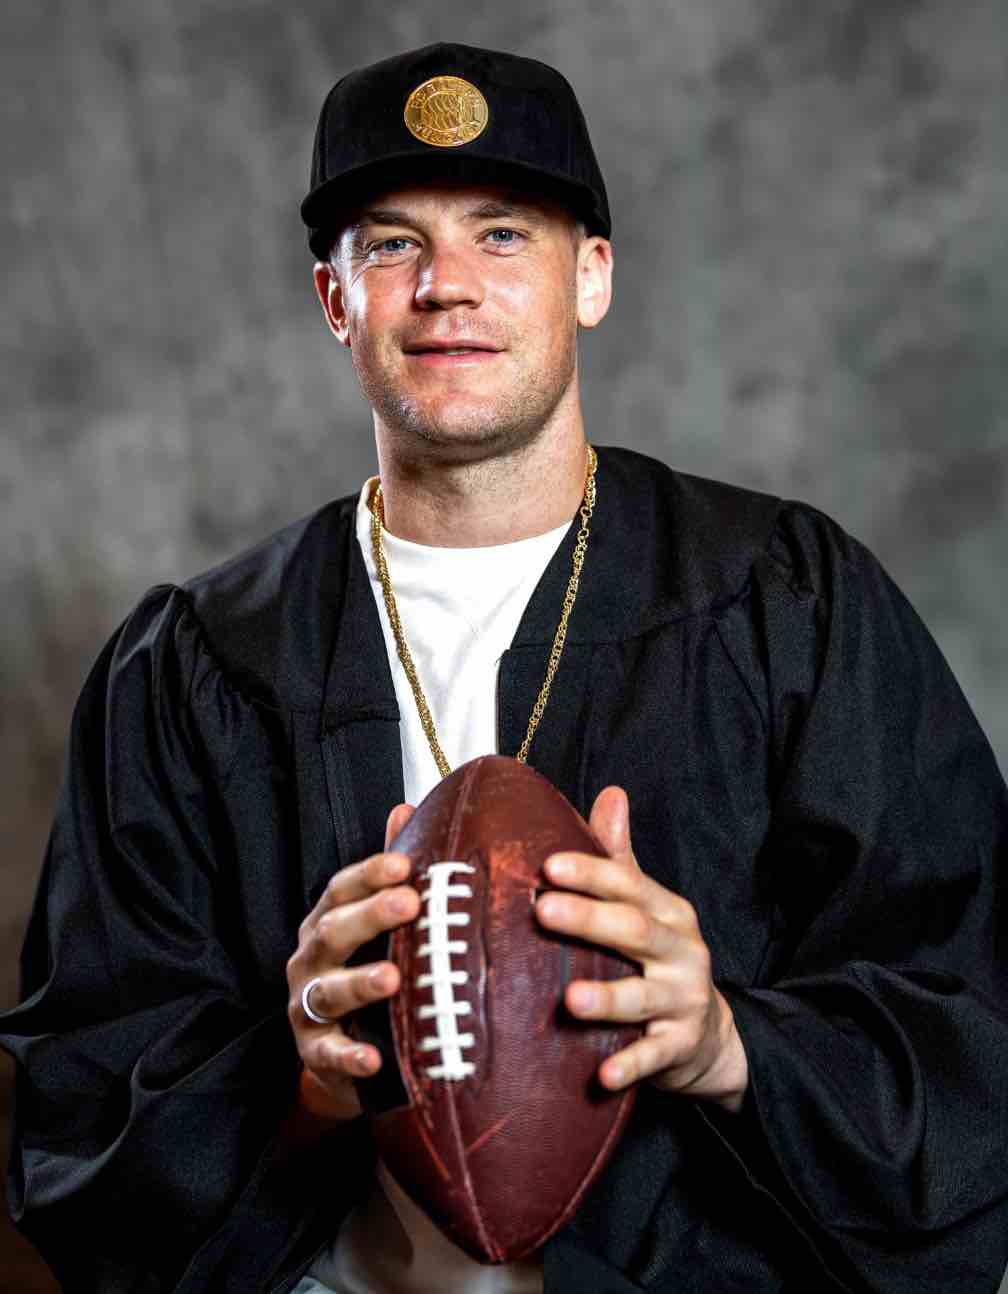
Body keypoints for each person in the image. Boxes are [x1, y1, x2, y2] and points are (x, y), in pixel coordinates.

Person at [2, 40, 1007, 1294]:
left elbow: (974, 1030)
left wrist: (724, 1041)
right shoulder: (194, 665)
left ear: (591, 277)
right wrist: (303, 1077)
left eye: (502, 234)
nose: (446, 286)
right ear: (335, 300)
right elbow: (77, 1125)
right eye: (393, 244)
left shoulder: (786, 602)